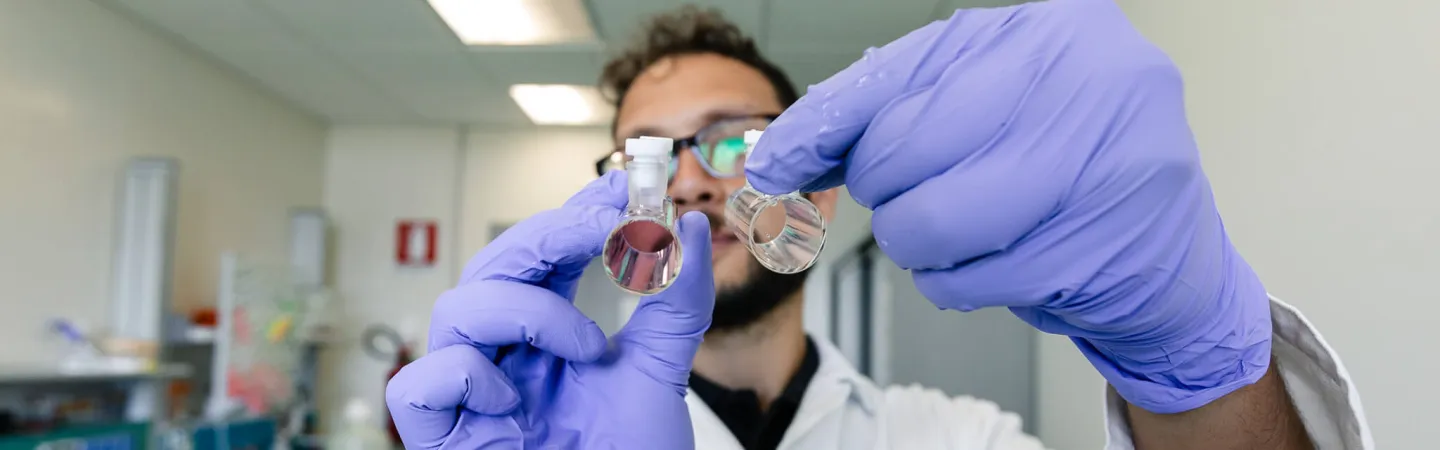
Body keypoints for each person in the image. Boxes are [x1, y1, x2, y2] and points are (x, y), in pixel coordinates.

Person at [385, 0, 1372, 449]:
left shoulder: (959, 438)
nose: (687, 183)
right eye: (647, 157)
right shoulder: (544, 434)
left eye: (731, 145)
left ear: (811, 190)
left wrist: (1201, 371)